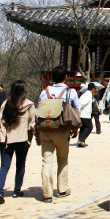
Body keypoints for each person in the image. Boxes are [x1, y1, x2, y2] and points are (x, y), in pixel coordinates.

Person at [36, 65, 79, 203]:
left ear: (52, 77)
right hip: (62, 129)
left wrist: (38, 131)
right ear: (66, 77)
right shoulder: (71, 92)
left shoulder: (45, 92)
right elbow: (77, 111)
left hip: (46, 130)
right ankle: (62, 189)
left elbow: (38, 111)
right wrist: (75, 128)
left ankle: (47, 194)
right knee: (62, 159)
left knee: (46, 162)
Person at [0, 80, 35, 205]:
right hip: (22, 139)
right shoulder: (29, 105)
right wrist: (29, 139)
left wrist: (2, 139)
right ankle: (17, 191)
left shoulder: (6, 104)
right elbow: (31, 124)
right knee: (20, 165)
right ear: (24, 91)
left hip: (7, 140)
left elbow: (1, 124)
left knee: (4, 166)